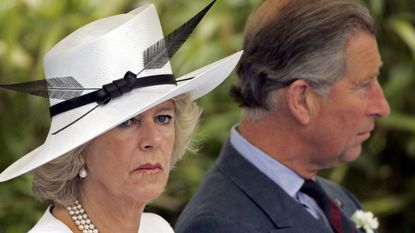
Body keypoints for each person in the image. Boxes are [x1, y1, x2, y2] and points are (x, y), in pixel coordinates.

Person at [0, 1, 242, 232]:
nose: (153, 139)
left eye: (163, 118)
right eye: (127, 122)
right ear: (78, 149)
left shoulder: (155, 228)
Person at [175, 0, 389, 232]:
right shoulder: (219, 225)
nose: (382, 107)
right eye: (364, 85)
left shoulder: (337, 200)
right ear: (302, 100)